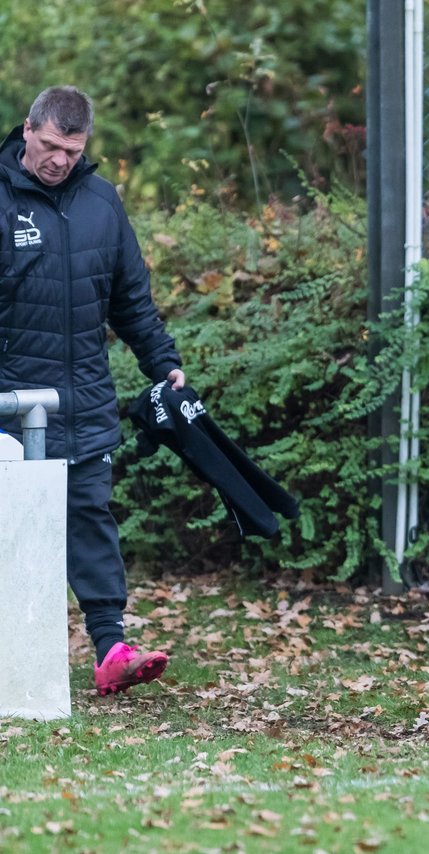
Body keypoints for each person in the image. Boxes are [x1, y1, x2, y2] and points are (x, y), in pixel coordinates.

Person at [0, 86, 185, 696]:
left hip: (83, 404)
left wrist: (163, 364)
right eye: (49, 145)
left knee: (89, 519)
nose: (58, 160)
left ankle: (112, 650)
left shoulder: (102, 202)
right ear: (26, 130)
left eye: (71, 150)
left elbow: (131, 299)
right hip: (9, 407)